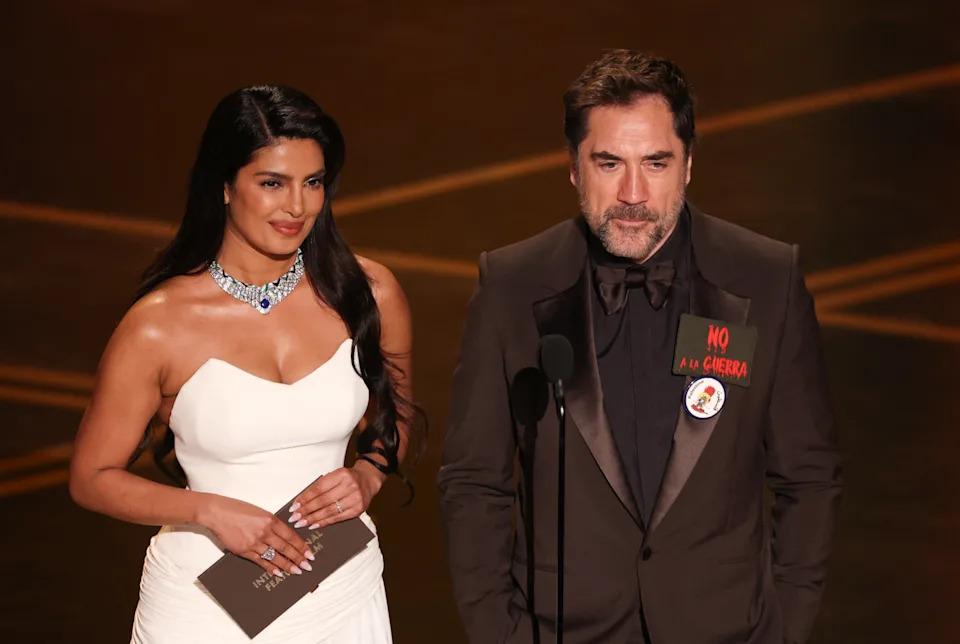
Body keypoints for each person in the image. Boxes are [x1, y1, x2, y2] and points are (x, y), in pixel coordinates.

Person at [438, 50, 841, 643]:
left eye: (656, 162)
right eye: (609, 163)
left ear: (688, 166)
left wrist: (783, 630)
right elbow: (475, 482)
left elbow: (808, 476)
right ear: (575, 168)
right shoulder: (512, 286)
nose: (632, 192)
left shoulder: (765, 278)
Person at [69, 85, 418, 643]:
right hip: (203, 605)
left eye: (313, 182)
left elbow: (394, 420)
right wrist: (209, 511)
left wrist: (368, 477)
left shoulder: (368, 294)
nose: (297, 207)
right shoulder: (158, 325)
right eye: (272, 183)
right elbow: (91, 479)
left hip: (341, 596)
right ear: (225, 186)